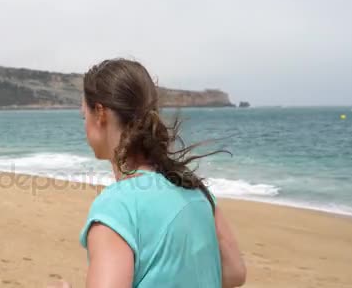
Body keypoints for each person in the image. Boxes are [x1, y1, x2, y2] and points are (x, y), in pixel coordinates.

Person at [51, 58, 246, 288]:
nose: (84, 125)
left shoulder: (117, 206)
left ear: (100, 114)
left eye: (84, 116)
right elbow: (234, 272)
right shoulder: (195, 190)